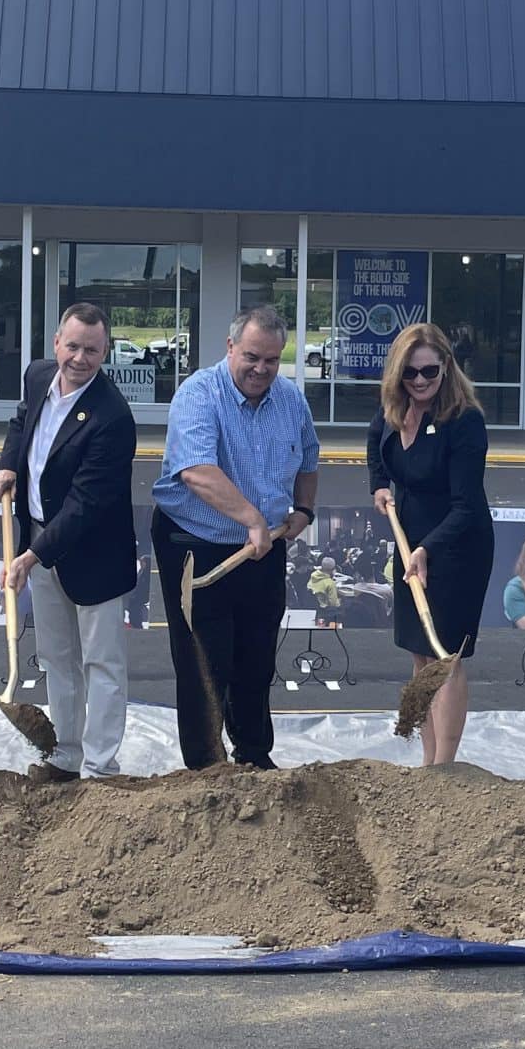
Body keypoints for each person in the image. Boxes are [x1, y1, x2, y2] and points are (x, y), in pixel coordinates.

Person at [151, 306, 321, 771]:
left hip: (262, 548)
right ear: (230, 348)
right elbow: (197, 472)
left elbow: (309, 459)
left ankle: (252, 755)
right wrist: (251, 517)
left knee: (256, 656)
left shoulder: (290, 400)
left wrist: (304, 509)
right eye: (251, 356)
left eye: (271, 359)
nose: (261, 369)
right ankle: (207, 765)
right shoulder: (199, 395)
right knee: (205, 661)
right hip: (196, 544)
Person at [0, 301, 137, 783]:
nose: (79, 358)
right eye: (72, 346)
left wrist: (32, 556)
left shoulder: (112, 417)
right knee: (58, 659)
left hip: (93, 554)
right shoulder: (37, 377)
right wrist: (9, 462)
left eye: (92, 350)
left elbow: (86, 503)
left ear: (106, 351)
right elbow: (21, 423)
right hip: (38, 537)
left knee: (102, 662)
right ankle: (65, 756)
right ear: (56, 343)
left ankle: (100, 768)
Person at [368, 321, 491, 765]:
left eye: (430, 372)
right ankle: (427, 761)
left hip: (457, 546)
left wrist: (427, 550)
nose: (420, 382)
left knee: (446, 656)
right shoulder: (393, 407)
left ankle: (446, 768)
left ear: (446, 368)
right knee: (420, 656)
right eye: (410, 373)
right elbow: (374, 443)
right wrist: (379, 485)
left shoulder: (464, 421)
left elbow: (466, 505)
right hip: (411, 541)